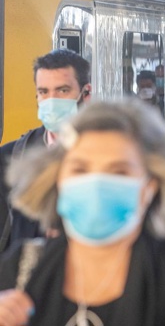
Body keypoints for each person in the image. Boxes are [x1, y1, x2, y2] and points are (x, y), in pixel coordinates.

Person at [0, 99, 165, 325]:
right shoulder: (20, 270)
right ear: (56, 180)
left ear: (149, 187)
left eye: (118, 171)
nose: (96, 183)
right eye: (80, 169)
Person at [0, 49, 92, 253]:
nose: (52, 100)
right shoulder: (10, 158)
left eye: (62, 90)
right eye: (43, 92)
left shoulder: (112, 156)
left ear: (86, 94)